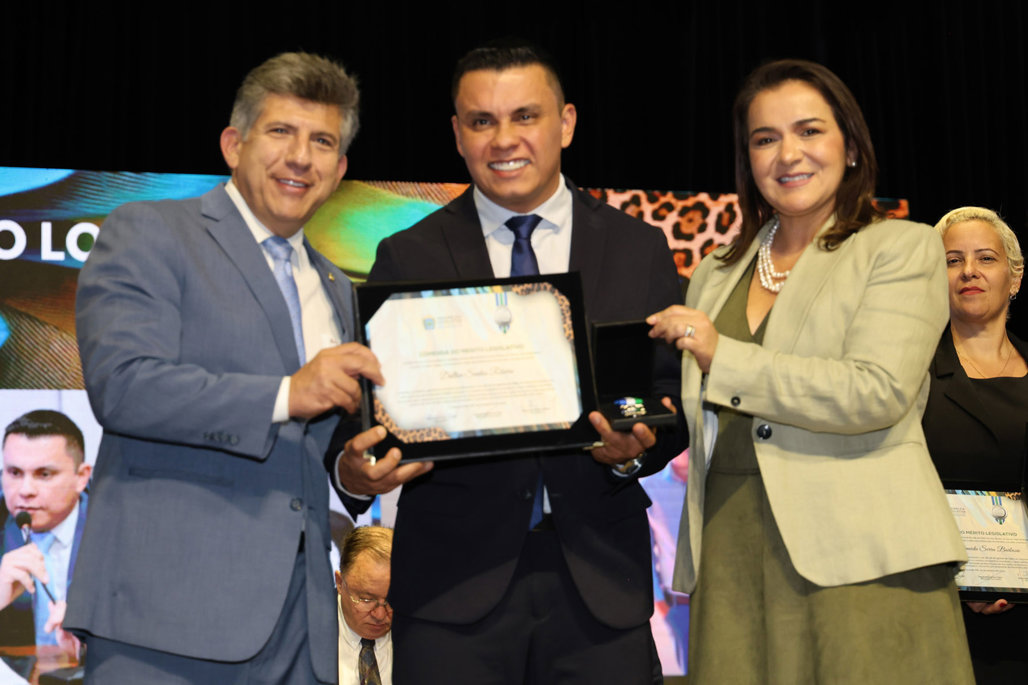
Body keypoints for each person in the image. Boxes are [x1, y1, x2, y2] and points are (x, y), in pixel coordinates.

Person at [65, 52, 428, 684]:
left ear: (341, 169)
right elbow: (124, 386)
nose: (301, 157)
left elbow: (320, 448)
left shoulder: (338, 289)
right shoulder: (149, 231)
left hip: (300, 629)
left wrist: (352, 473)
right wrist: (287, 394)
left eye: (322, 142)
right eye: (281, 131)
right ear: (234, 144)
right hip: (164, 619)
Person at [362, 41, 685, 684]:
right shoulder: (407, 255)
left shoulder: (638, 247)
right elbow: (375, 412)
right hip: (452, 593)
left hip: (601, 583)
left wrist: (631, 450)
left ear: (565, 122)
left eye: (525, 116)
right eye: (482, 121)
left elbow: (667, 394)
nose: (504, 139)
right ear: (458, 134)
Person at [648, 58, 974, 683]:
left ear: (850, 147)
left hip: (864, 560)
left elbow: (876, 392)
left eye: (809, 131)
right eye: (765, 138)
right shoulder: (715, 271)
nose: (788, 154)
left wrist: (724, 356)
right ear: (747, 160)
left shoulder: (899, 247)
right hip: (730, 552)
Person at [924, 206, 1028, 682]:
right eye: (952, 260)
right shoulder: (909, 376)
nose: (969, 270)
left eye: (986, 258)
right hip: (936, 611)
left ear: (1014, 277)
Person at [0, 410, 90, 650]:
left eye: (44, 474)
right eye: (15, 473)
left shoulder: (118, 527)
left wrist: (95, 639)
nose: (25, 490)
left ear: (81, 477)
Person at [335, 526, 393, 685]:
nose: (380, 615)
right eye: (367, 600)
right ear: (340, 583)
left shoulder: (423, 635)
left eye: (391, 600)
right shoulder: (303, 632)